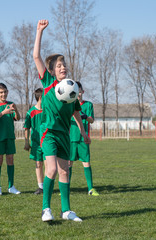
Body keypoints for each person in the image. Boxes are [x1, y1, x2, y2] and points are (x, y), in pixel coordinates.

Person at [33, 19, 91, 222]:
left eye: (64, 64)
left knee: (64, 171)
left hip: (64, 135)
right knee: (51, 170)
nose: (63, 67)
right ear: (52, 71)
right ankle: (46, 209)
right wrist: (39, 31)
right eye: (59, 65)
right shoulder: (48, 82)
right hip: (48, 132)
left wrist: (83, 133)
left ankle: (66, 211)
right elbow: (35, 56)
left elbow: (76, 113)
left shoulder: (72, 88)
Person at [0, 82, 21, 195]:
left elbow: (17, 118)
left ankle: (11, 186)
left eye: (5, 92)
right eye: (1, 92)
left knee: (10, 160)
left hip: (9, 136)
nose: (3, 94)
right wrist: (3, 112)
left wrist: (16, 110)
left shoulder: (11, 104)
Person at [69, 82, 99, 196]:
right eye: (76, 92)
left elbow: (92, 120)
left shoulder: (88, 105)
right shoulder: (69, 105)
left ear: (82, 92)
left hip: (83, 138)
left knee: (86, 162)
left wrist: (85, 116)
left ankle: (90, 189)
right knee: (68, 164)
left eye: (79, 91)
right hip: (70, 139)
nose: (78, 94)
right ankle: (66, 189)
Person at [24, 88, 44, 195]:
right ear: (40, 98)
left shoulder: (48, 110)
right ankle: (41, 187)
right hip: (36, 143)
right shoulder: (30, 112)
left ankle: (48, 185)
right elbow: (27, 128)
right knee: (38, 164)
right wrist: (27, 142)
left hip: (47, 142)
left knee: (49, 164)